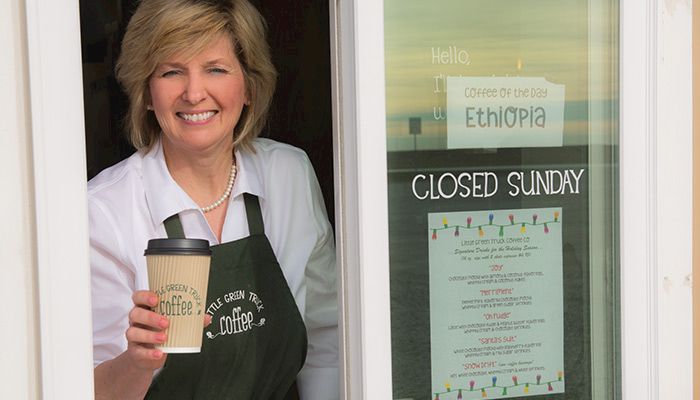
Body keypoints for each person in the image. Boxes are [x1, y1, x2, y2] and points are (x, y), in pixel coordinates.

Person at [88, 0, 338, 398]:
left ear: (250, 87)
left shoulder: (288, 175)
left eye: (216, 69)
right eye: (172, 72)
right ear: (147, 93)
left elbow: (329, 341)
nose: (193, 93)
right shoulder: (104, 212)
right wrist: (136, 362)